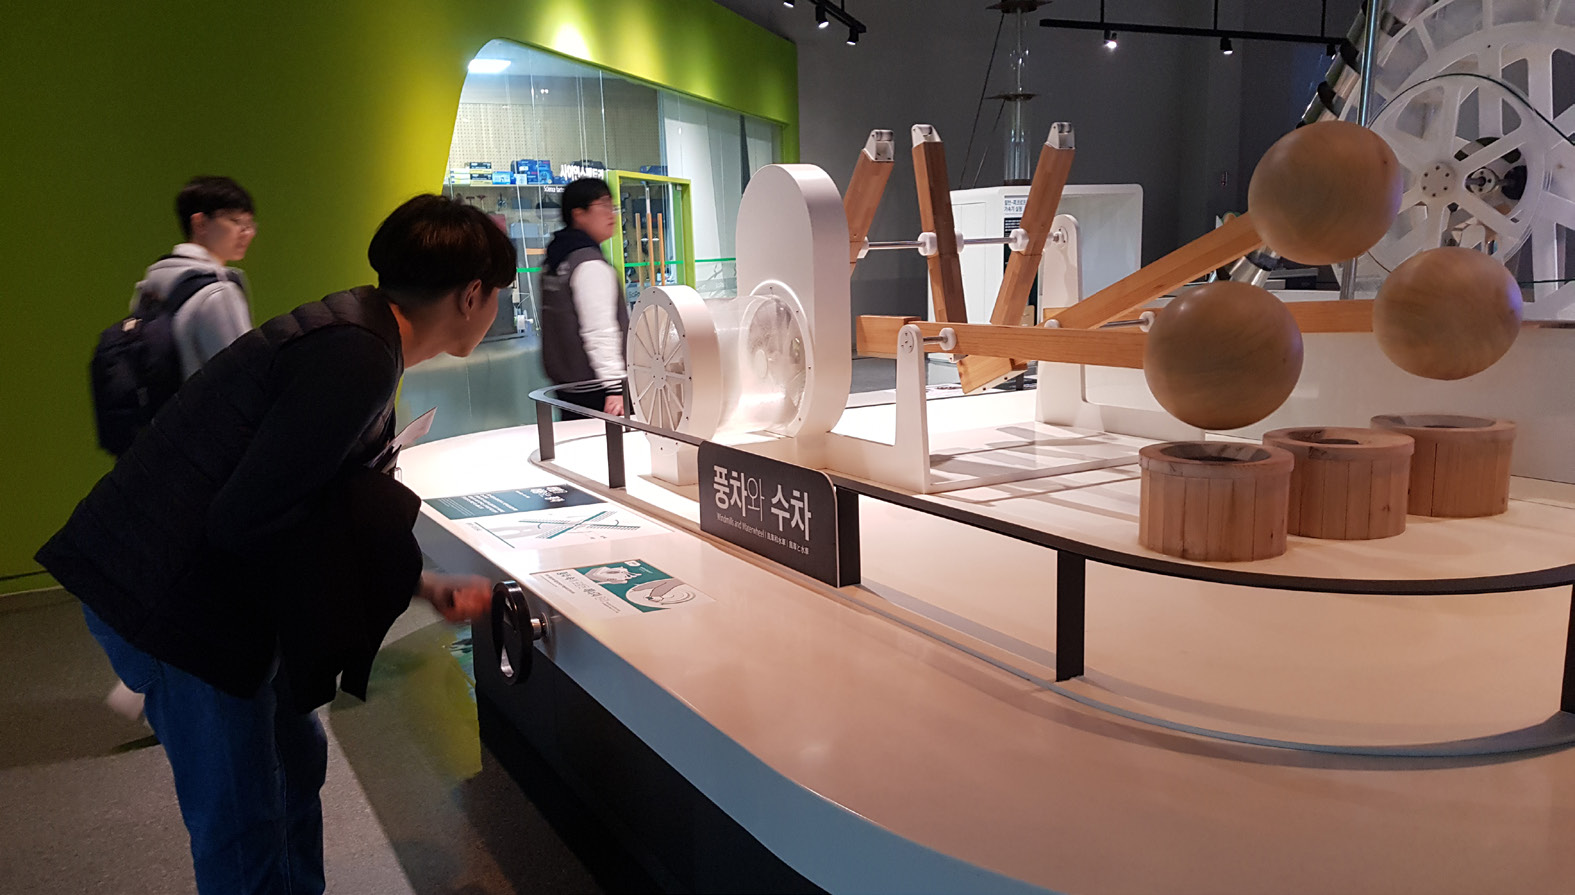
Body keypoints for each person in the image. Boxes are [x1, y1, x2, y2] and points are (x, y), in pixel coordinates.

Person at [36, 193, 512, 895]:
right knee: (243, 826)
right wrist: (393, 576)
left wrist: (417, 583)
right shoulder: (358, 355)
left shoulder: (359, 330)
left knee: (294, 761)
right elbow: (246, 517)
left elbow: (301, 497)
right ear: (472, 295)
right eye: (498, 293)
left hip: (197, 584)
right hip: (174, 603)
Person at [106, 174, 259, 721]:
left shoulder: (153, 284)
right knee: (215, 576)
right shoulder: (216, 291)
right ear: (200, 222)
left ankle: (150, 683)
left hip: (162, 449)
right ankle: (169, 686)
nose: (247, 233)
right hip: (210, 454)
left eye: (250, 223)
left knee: (180, 568)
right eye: (236, 222)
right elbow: (244, 376)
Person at [539, 176, 627, 420]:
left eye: (612, 206)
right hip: (599, 390)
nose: (612, 214)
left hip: (568, 387)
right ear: (579, 214)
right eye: (604, 205)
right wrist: (615, 387)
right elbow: (599, 330)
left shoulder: (555, 260)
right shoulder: (589, 264)